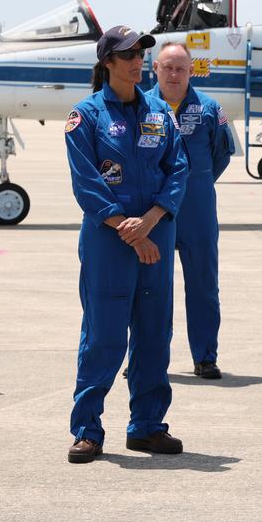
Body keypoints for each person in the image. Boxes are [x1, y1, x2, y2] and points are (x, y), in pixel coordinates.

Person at [64, 25, 189, 463]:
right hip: (109, 242)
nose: (138, 60)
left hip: (156, 233)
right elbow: (87, 184)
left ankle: (148, 426)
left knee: (155, 334)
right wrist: (129, 231)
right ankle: (88, 430)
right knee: (104, 336)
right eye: (128, 54)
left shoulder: (160, 113)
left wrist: (151, 221)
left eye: (141, 52)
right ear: (107, 63)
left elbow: (178, 170)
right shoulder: (87, 115)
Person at [147, 42, 236, 380]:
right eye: (168, 67)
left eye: (180, 68)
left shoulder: (210, 109)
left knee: (203, 285)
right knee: (151, 287)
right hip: (154, 212)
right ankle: (148, 357)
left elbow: (221, 154)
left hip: (197, 210)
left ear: (190, 71)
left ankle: (205, 357)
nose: (174, 74)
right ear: (155, 68)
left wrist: (192, 185)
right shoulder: (142, 108)